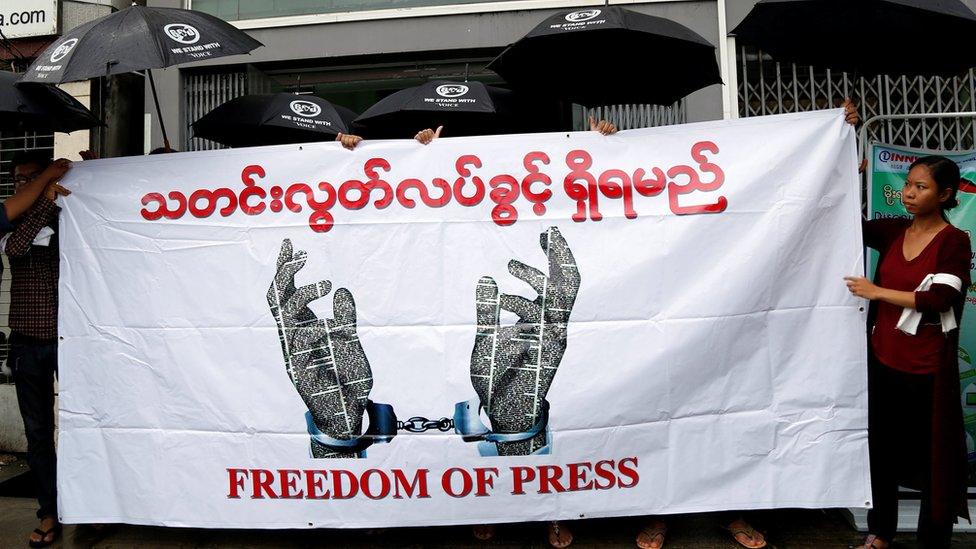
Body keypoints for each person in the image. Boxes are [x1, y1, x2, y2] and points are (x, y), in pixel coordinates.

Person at [847, 154, 971, 549]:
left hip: (927, 368)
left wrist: (877, 291)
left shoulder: (953, 241)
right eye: (908, 185)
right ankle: (880, 531)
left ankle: (931, 541)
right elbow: (841, 220)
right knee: (881, 450)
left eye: (921, 187)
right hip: (883, 360)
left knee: (932, 459)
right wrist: (847, 166)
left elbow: (942, 297)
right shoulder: (894, 231)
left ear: (945, 194)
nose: (910, 193)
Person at [6, 151, 73, 548]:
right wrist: (43, 199)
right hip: (27, 345)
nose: (23, 184)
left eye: (30, 177)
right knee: (38, 434)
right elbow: (15, 248)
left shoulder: (68, 212)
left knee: (84, 426)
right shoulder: (14, 218)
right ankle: (48, 512)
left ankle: (87, 507)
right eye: (18, 180)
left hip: (71, 342)